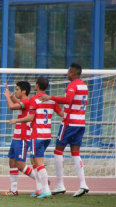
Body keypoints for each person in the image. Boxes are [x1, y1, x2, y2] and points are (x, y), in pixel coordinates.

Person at [39, 63, 89, 197]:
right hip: (81, 123)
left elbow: (68, 100)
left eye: (68, 72)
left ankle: (60, 184)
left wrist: (51, 97)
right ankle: (83, 184)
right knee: (75, 153)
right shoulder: (84, 85)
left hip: (69, 123)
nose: (67, 74)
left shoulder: (72, 85)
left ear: (73, 73)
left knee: (58, 151)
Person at [10, 76, 63, 198]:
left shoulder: (35, 99)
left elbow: (30, 117)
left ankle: (46, 189)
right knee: (34, 161)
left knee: (38, 162)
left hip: (37, 135)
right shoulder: (52, 101)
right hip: (47, 135)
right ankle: (39, 188)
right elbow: (61, 114)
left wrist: (16, 120)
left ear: (37, 86)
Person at [0, 81, 37, 196]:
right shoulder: (24, 101)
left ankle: (42, 182)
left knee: (20, 165)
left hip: (22, 137)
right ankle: (13, 190)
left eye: (17, 90)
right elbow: (17, 102)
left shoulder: (27, 101)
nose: (15, 91)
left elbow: (11, 106)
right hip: (16, 136)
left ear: (23, 91)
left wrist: (7, 97)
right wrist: (10, 94)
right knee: (11, 161)